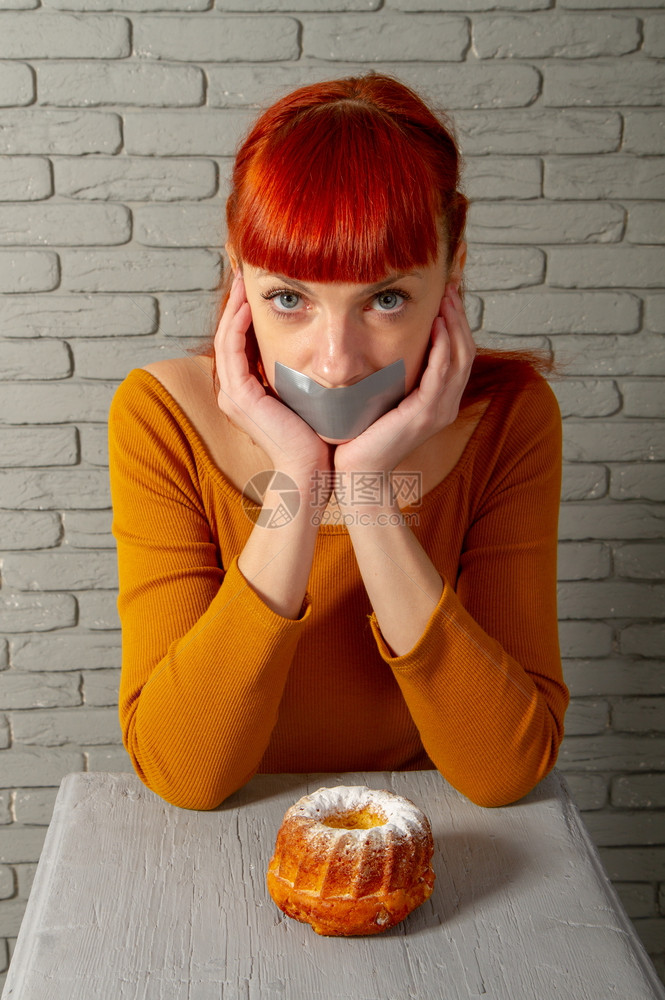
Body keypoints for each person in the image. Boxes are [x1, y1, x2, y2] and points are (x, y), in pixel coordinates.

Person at [109, 73, 569, 812]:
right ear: (239, 272)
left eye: (386, 299)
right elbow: (184, 774)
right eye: (287, 298)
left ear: (454, 266)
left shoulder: (509, 420)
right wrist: (298, 481)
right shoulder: (161, 417)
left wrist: (363, 493)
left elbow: (504, 770)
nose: (335, 361)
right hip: (226, 839)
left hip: (432, 832)